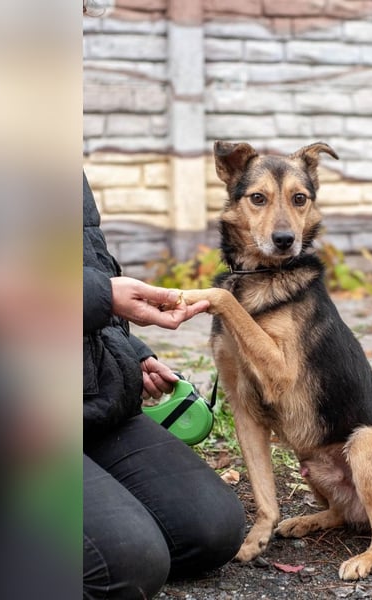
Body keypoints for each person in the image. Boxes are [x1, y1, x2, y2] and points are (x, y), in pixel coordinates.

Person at [83, 172, 245, 599]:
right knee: (127, 564)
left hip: (84, 401)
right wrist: (98, 295)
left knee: (212, 529)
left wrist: (128, 350)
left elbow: (91, 267)